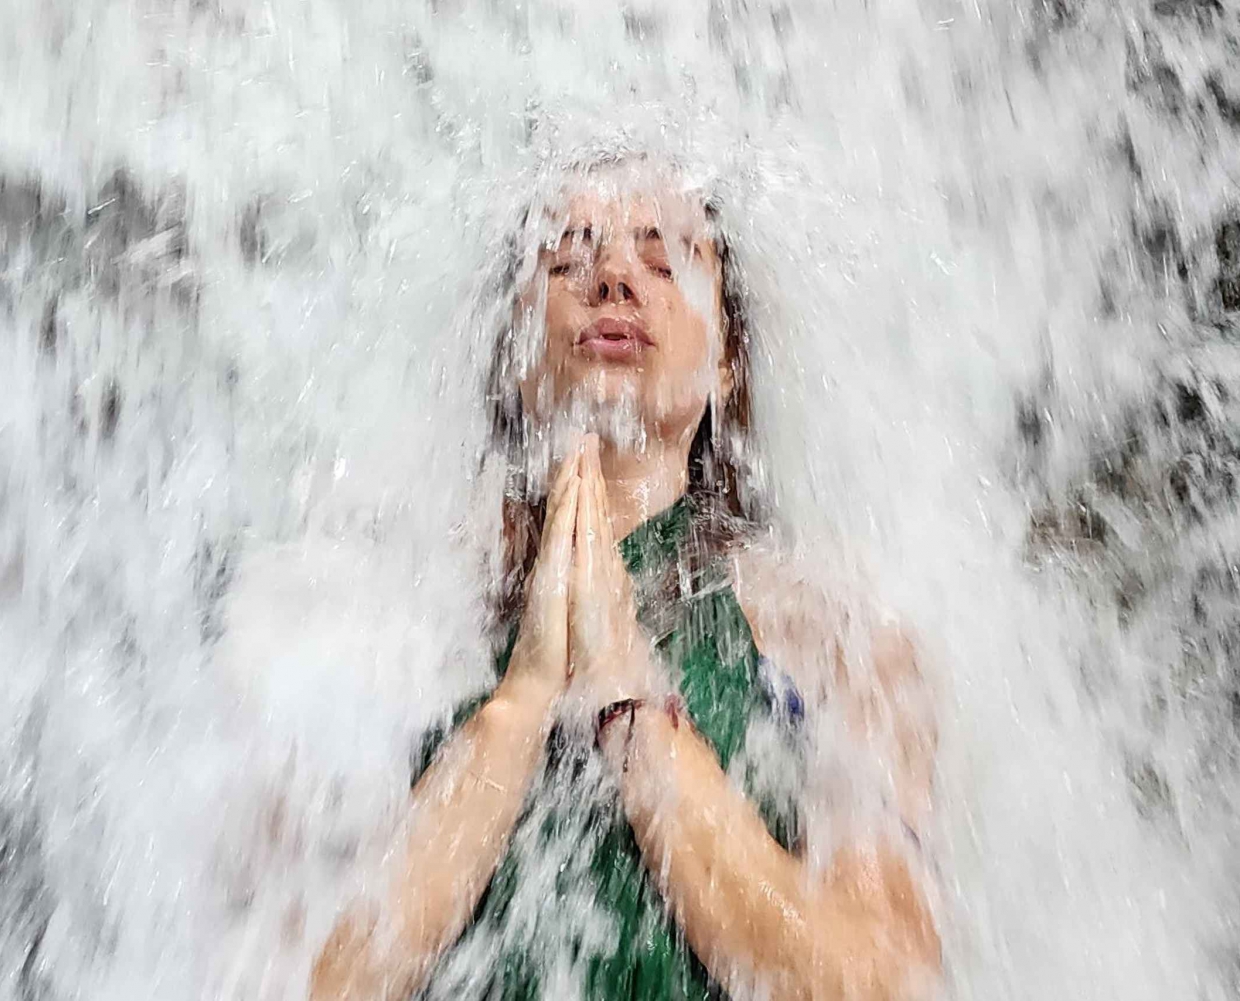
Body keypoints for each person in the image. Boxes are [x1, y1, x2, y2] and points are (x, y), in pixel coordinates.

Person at [307, 156, 940, 1001]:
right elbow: (295, 978)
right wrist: (520, 703)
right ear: (512, 353)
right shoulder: (398, 619)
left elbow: (886, 984)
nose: (611, 276)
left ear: (727, 360)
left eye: (666, 255)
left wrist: (630, 705)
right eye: (567, 255)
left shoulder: (836, 638)